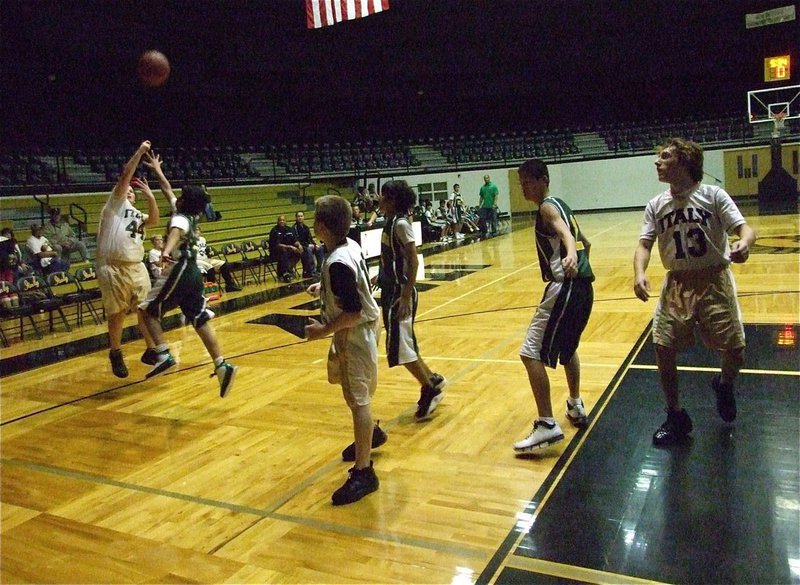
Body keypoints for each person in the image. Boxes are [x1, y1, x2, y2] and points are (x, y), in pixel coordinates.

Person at [633, 138, 757, 446]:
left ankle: (724, 384)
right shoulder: (656, 205)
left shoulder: (713, 195)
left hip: (714, 279)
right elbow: (644, 244)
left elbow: (745, 229)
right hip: (677, 282)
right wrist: (639, 273)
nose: (656, 162)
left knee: (734, 348)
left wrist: (744, 244)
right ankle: (675, 415)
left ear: (684, 162)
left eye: (664, 157)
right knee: (662, 345)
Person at [512, 159, 594, 453]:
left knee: (529, 352)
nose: (524, 188)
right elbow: (586, 240)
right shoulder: (562, 204)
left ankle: (546, 424)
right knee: (568, 348)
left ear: (544, 179)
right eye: (521, 183)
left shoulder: (548, 207)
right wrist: (578, 254)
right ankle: (574, 404)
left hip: (565, 287)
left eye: (528, 182)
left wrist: (570, 254)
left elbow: (568, 236)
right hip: (584, 288)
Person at [305, 195, 381, 505]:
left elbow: (351, 310)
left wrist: (321, 331)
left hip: (354, 333)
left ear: (321, 226)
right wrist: (324, 288)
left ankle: (364, 472)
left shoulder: (336, 262)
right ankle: (370, 434)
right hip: (365, 331)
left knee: (357, 398)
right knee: (355, 389)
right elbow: (354, 284)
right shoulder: (349, 246)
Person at [138, 183, 238, 397]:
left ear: (185, 201)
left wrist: (165, 250)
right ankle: (221, 365)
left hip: (181, 267)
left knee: (146, 310)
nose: (177, 196)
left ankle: (164, 354)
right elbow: (167, 189)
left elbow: (175, 231)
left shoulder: (181, 218)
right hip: (193, 272)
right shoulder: (188, 213)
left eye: (181, 195)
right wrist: (157, 171)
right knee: (199, 318)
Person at [378, 180, 447, 420]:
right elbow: (393, 258)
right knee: (403, 342)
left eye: (384, 197)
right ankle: (432, 379)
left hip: (400, 293)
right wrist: (383, 274)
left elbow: (414, 260)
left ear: (394, 200)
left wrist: (406, 293)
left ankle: (429, 387)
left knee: (399, 345)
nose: (379, 200)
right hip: (392, 290)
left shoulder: (401, 225)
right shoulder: (391, 222)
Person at [95, 141, 160, 378]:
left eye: (133, 191)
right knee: (118, 313)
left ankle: (150, 349)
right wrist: (141, 151)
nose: (130, 191)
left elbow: (153, 220)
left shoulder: (137, 214)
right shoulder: (114, 204)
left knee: (145, 309)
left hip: (136, 266)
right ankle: (115, 352)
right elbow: (125, 175)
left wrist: (151, 196)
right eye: (128, 189)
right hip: (113, 266)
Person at [194, 225, 241, 292]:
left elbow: (204, 250)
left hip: (206, 259)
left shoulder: (203, 239)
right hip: (197, 261)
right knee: (210, 268)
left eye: (198, 230)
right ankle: (211, 289)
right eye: (195, 230)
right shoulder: (190, 241)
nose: (197, 232)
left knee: (223, 264)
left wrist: (209, 253)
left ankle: (229, 286)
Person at [269, 215, 303, 282]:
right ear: (277, 222)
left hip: (288, 250)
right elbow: (277, 244)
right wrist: (290, 247)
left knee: (299, 251)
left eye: (283, 220)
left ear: (286, 221)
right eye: (280, 220)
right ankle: (285, 273)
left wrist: (299, 245)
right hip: (276, 251)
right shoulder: (274, 230)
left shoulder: (289, 229)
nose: (282, 221)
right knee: (283, 251)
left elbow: (294, 240)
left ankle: (289, 269)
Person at [293, 210, 325, 277]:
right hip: (301, 247)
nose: (300, 218)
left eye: (301, 216)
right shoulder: (294, 228)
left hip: (308, 246)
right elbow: (296, 240)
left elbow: (310, 238)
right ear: (296, 218)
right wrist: (308, 245)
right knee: (308, 250)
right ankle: (312, 271)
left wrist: (314, 245)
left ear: (303, 217)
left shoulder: (306, 227)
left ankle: (319, 269)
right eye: (298, 216)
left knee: (320, 248)